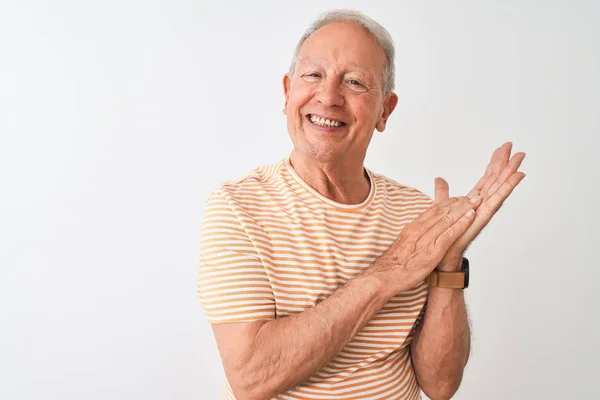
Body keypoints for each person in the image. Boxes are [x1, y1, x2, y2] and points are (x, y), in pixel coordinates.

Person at [197, 9, 526, 400]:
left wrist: (447, 265)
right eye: (313, 75)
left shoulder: (417, 215)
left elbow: (440, 386)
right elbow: (252, 379)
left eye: (354, 82)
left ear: (385, 110)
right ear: (287, 93)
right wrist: (390, 271)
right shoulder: (238, 208)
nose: (329, 96)